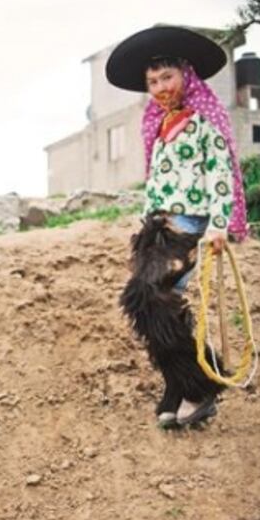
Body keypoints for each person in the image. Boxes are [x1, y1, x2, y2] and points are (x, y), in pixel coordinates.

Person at [107, 25, 249, 428]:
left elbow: (221, 175)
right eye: (152, 81)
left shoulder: (206, 123)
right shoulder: (159, 126)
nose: (159, 87)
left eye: (166, 77)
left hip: (189, 226)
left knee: (152, 296)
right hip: (157, 227)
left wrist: (219, 224)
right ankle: (179, 385)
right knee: (147, 304)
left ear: (185, 75)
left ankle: (200, 386)